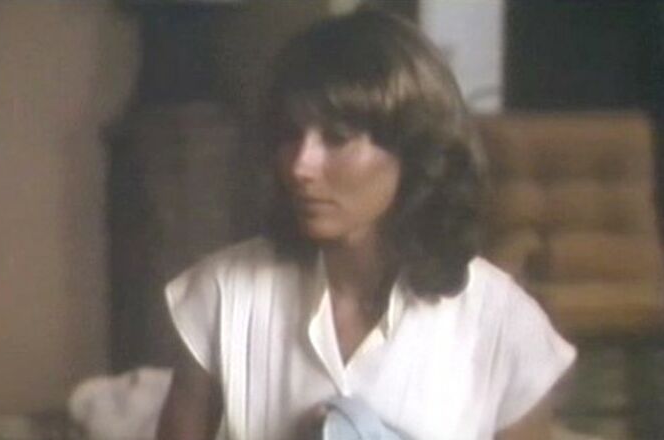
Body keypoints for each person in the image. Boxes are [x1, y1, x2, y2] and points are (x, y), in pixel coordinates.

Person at [156, 8, 576, 440]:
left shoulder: (503, 325)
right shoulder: (223, 294)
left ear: (412, 149)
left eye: (336, 138)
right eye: (290, 135)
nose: (300, 165)